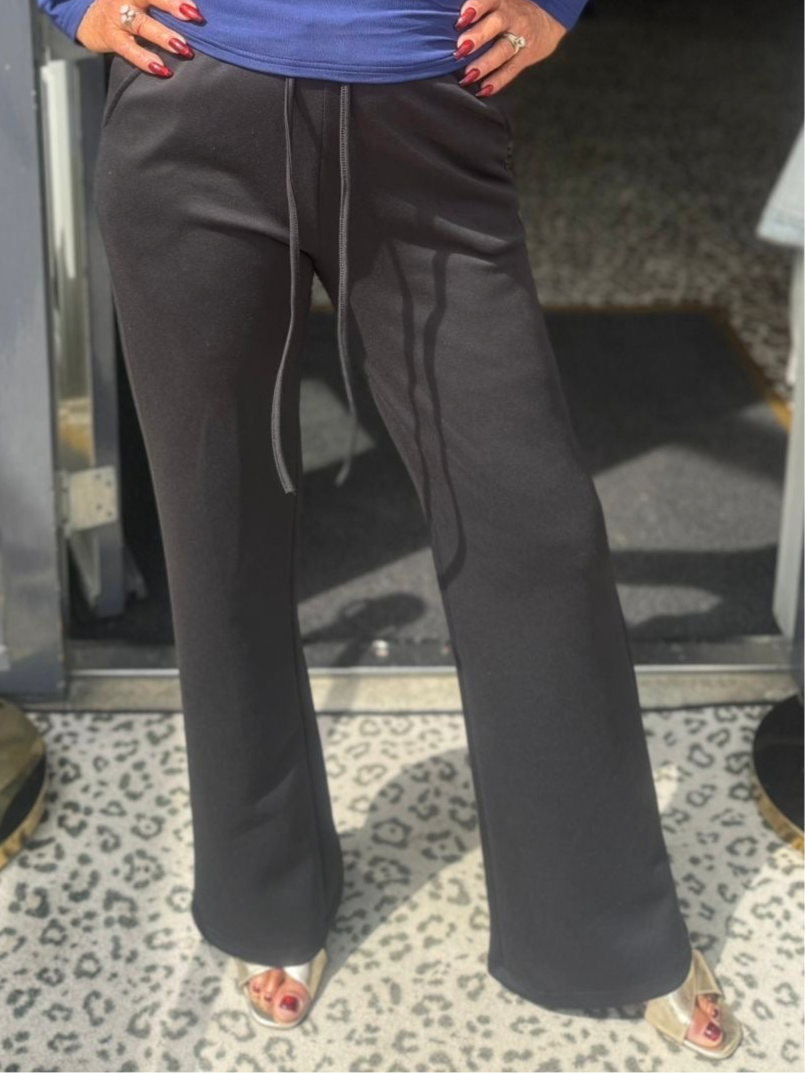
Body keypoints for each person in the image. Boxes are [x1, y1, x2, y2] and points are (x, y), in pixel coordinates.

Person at [34, 0, 743, 1057]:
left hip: (428, 105)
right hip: (192, 106)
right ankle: (267, 894)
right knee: (216, 533)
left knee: (536, 530)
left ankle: (610, 925)